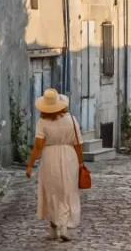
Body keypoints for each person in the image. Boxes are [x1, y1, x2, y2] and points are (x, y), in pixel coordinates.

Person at [25, 88, 84, 242]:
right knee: (66, 190)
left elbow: (38, 146)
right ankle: (63, 226)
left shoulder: (42, 122)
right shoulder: (71, 120)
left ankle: (53, 228)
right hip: (69, 156)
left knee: (51, 191)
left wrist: (30, 164)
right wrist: (80, 162)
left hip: (49, 157)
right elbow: (78, 143)